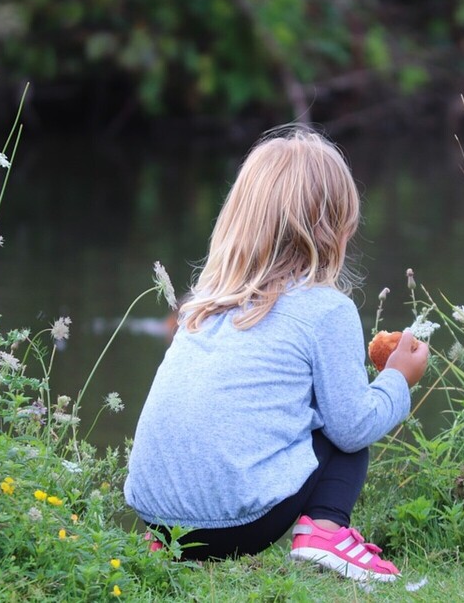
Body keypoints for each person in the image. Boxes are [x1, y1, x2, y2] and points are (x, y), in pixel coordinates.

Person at [124, 125, 429, 583]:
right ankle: (326, 533)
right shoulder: (327, 310)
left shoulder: (204, 303)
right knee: (345, 420)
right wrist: (397, 379)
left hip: (157, 520)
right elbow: (352, 427)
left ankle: (168, 543)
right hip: (239, 526)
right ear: (336, 228)